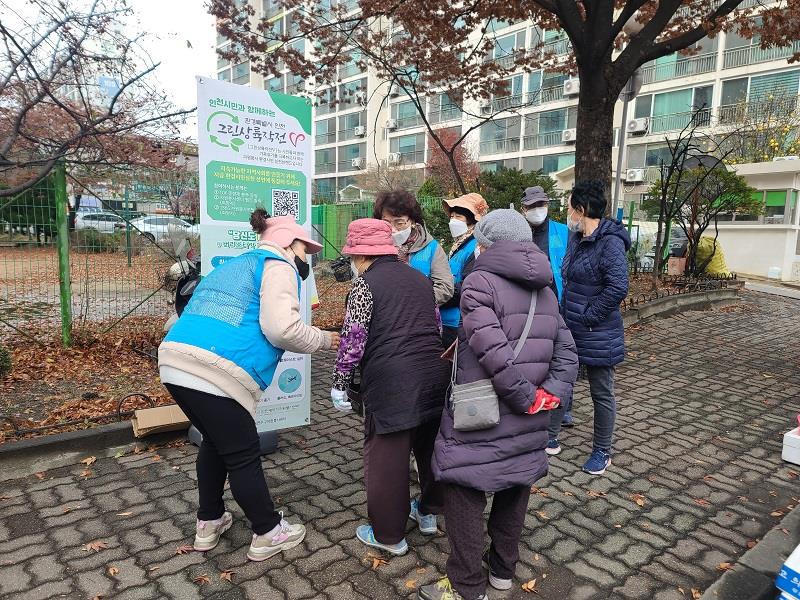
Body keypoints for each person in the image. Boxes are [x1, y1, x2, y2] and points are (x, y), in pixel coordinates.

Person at [158, 210, 339, 561]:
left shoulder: (233, 266)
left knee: (215, 442)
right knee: (243, 454)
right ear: (290, 243)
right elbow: (281, 329)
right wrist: (326, 340)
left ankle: (209, 522)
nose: (307, 260)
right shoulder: (279, 265)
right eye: (306, 250)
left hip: (175, 361)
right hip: (216, 370)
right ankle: (269, 531)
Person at [419, 210, 578, 600]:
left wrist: (525, 398)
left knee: (464, 494)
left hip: (483, 414)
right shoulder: (545, 288)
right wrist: (546, 398)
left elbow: (493, 353)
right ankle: (503, 572)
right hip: (531, 418)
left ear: (484, 244)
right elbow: (568, 354)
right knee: (514, 487)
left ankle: (467, 587)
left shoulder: (478, 283)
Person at [330, 218, 451, 557]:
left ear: (360, 256)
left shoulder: (365, 286)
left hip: (392, 383)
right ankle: (428, 513)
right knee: (431, 452)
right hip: (434, 374)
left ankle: (388, 535)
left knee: (388, 459)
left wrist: (340, 382)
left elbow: (354, 339)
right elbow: (437, 327)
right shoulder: (420, 280)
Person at [556, 180, 631, 475]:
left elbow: (618, 287)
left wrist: (588, 316)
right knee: (562, 380)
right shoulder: (576, 238)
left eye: (570, 208)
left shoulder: (610, 242)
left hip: (599, 332)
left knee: (602, 393)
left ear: (582, 209)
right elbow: (570, 280)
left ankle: (602, 450)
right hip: (571, 327)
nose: (567, 213)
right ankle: (549, 436)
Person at [519, 186, 576, 429]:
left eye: (540, 205)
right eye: (532, 206)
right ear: (524, 209)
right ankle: (538, 400)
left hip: (560, 303)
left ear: (548, 205)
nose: (537, 210)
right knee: (538, 357)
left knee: (563, 356)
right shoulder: (519, 234)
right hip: (529, 306)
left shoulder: (563, 232)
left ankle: (564, 407)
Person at [373, 189, 454, 306]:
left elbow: (445, 286)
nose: (393, 229)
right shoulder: (374, 248)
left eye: (399, 223)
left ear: (412, 221)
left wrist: (413, 304)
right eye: (386, 222)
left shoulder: (431, 248)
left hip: (420, 316)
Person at [439, 193, 488, 349]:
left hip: (458, 321)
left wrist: (438, 293)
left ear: (472, 220)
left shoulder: (475, 247)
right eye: (451, 216)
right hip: (447, 320)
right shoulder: (459, 245)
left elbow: (468, 285)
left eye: (458, 216)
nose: (452, 220)